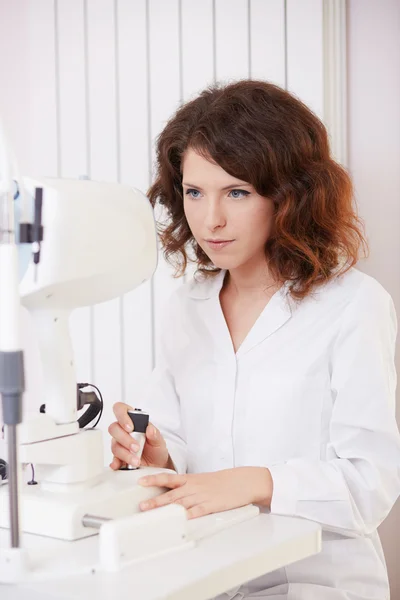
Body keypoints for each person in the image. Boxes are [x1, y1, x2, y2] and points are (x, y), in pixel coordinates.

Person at [108, 80, 400, 599]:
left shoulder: (354, 305)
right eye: (194, 192)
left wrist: (253, 481)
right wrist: (158, 456)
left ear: (288, 195)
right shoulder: (187, 307)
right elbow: (178, 442)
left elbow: (370, 482)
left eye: (236, 192)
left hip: (321, 582)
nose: (210, 219)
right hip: (210, 576)